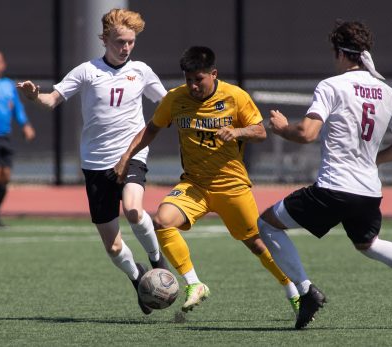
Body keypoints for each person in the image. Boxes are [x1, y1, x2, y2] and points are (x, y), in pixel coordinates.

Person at [257, 20, 392, 329]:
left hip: (334, 188)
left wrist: (281, 129)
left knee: (267, 224)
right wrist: (375, 160)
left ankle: (306, 291)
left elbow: (308, 133)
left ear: (340, 53)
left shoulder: (331, 85)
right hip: (368, 192)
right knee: (369, 244)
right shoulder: (385, 91)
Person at [115, 46, 300, 314]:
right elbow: (151, 129)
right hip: (194, 185)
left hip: (231, 186)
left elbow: (261, 131)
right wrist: (126, 156)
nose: (192, 85)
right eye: (188, 79)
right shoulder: (175, 99)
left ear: (213, 74)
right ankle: (195, 284)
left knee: (256, 243)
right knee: (162, 221)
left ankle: (293, 290)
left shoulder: (235, 96)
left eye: (198, 79)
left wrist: (237, 131)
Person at [16, 8, 169, 315]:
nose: (125, 47)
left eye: (130, 42)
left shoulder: (141, 71)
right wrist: (34, 96)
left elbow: (166, 103)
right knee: (113, 247)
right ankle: (138, 278)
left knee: (135, 210)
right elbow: (51, 101)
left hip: (133, 153)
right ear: (104, 39)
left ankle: (157, 261)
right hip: (96, 163)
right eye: (119, 41)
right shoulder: (86, 71)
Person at [0, 50, 36, 227]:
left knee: (5, 176)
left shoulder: (9, 85)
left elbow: (17, 108)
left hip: (5, 137)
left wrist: (25, 125)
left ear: (3, 64)